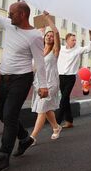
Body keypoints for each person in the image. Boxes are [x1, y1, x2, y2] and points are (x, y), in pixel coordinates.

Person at [0, 0, 49, 171]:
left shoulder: (34, 36)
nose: (8, 16)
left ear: (23, 15)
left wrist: (43, 85)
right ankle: (24, 138)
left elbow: (39, 63)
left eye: (12, 13)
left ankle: (3, 156)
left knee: (9, 116)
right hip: (4, 78)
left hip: (21, 79)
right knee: (4, 116)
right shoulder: (9, 25)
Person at [30, 13, 62, 142]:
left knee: (42, 109)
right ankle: (56, 127)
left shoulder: (55, 51)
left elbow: (56, 33)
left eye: (51, 36)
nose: (49, 37)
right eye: (47, 35)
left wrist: (48, 19)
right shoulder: (39, 50)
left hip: (51, 83)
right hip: (39, 83)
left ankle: (32, 137)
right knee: (46, 108)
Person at [56, 29, 91, 128]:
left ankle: (56, 123)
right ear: (67, 40)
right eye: (72, 40)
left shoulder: (78, 49)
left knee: (63, 99)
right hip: (61, 76)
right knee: (66, 99)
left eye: (75, 40)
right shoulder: (61, 48)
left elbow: (89, 48)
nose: (74, 41)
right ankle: (69, 121)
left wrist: (90, 37)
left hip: (70, 78)